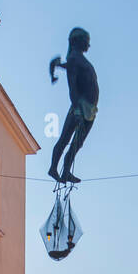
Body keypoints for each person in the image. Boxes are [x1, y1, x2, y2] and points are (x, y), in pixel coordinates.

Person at [47, 28, 99, 184]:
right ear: (77, 41)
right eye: (86, 41)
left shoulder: (77, 59)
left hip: (90, 109)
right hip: (80, 107)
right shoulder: (74, 59)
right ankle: (54, 168)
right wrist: (77, 108)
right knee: (65, 139)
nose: (88, 46)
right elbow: (72, 87)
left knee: (77, 143)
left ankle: (66, 170)